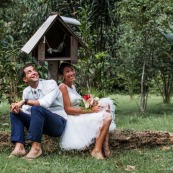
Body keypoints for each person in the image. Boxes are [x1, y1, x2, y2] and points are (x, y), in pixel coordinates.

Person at [58, 62, 116, 160]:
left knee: (106, 104)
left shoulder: (73, 87)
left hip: (80, 112)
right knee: (107, 116)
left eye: (72, 70)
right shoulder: (62, 87)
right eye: (67, 71)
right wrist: (91, 111)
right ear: (62, 76)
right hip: (73, 117)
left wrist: (91, 102)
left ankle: (105, 144)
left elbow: (80, 101)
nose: (71, 73)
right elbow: (68, 110)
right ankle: (97, 150)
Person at [9, 64, 67, 160]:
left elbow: (45, 103)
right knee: (15, 112)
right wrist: (17, 108)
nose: (34, 72)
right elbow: (26, 111)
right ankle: (19, 147)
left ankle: (36, 148)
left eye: (34, 70)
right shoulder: (26, 91)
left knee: (36, 108)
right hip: (40, 123)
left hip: (57, 122)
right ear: (25, 79)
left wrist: (24, 101)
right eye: (29, 72)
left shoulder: (50, 84)